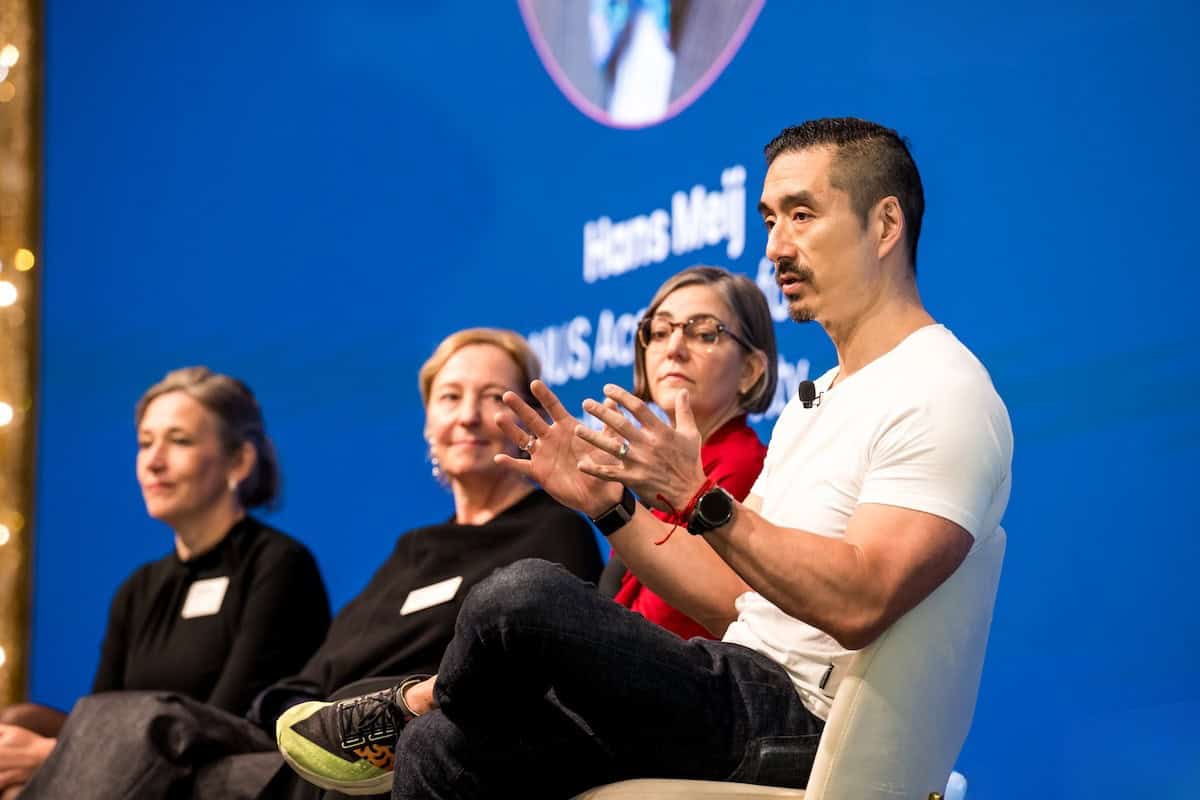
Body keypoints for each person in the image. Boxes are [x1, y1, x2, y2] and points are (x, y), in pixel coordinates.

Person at [276, 117, 1013, 800]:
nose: (776, 248)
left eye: (801, 214)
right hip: (733, 687)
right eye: (768, 219)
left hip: (799, 722)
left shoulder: (939, 388)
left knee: (522, 596)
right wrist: (610, 506)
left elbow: (860, 602)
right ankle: (421, 720)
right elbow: (733, 601)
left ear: (885, 223)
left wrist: (701, 499)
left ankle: (412, 699)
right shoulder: (818, 399)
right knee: (441, 751)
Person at [15, 328, 603, 800]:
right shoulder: (412, 549)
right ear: (427, 423)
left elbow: (505, 677)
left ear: (530, 418)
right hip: (303, 741)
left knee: (151, 724)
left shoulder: (554, 532)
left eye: (492, 397)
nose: (468, 415)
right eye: (449, 397)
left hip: (393, 749)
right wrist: (297, 717)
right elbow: (304, 681)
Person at [0, 366, 330, 797]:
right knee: (15, 727)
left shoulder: (279, 564)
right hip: (132, 772)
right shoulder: (139, 588)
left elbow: (229, 721)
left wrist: (52, 757)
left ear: (239, 461)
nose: (154, 461)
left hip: (216, 774)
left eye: (179, 441)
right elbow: (98, 717)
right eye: (145, 443)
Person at [600, 265, 775, 640]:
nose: (673, 349)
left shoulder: (745, 468)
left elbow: (664, 631)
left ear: (750, 370)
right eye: (660, 332)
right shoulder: (655, 476)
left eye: (703, 333)